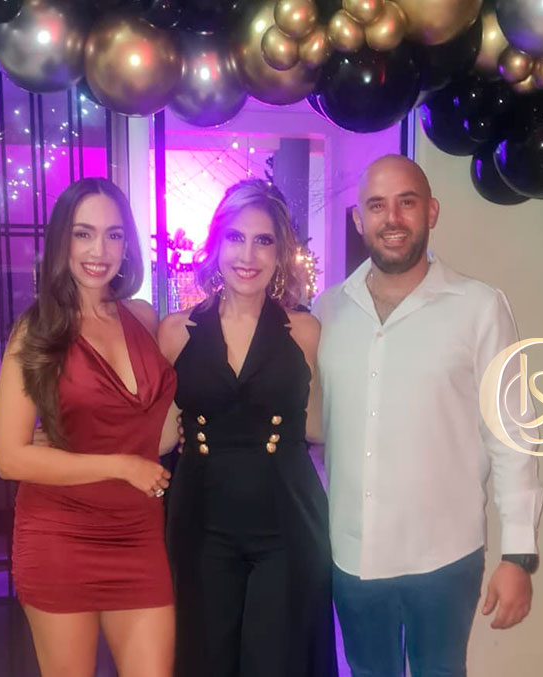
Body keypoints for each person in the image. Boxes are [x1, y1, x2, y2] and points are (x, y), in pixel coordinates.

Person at [313, 155, 543, 677]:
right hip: (353, 554)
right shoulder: (328, 311)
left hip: (444, 557)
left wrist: (518, 554)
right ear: (359, 219)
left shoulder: (479, 307)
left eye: (407, 202)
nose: (392, 218)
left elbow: (512, 434)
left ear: (431, 212)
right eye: (377, 206)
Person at [0, 177, 176, 676]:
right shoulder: (37, 330)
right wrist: (121, 466)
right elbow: (10, 457)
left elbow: (154, 421)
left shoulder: (142, 317)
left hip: (138, 534)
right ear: (62, 241)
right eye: (84, 234)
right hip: (60, 535)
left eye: (114, 235)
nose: (100, 251)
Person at [158, 179, 337, 677]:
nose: (248, 255)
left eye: (263, 241)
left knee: (276, 662)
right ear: (216, 245)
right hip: (200, 523)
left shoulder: (304, 331)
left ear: (280, 253)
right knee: (204, 659)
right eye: (235, 237)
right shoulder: (175, 332)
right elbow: (159, 433)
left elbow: (321, 424)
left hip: (287, 523)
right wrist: (67, 439)